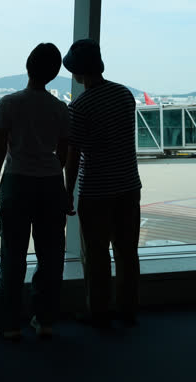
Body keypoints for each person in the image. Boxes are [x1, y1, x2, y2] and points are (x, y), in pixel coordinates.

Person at [0, 43, 71, 340]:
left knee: (13, 254)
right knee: (50, 256)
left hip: (17, 181)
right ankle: (44, 318)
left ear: (27, 67)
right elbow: (63, 154)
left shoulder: (9, 103)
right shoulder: (60, 109)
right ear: (54, 72)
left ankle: (8, 322)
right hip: (49, 184)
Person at [63, 39, 142, 327]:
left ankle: (98, 311)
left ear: (77, 72)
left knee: (96, 257)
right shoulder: (124, 95)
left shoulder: (80, 106)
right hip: (129, 185)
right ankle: (128, 308)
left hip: (97, 190)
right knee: (127, 252)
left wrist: (68, 191)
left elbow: (74, 154)